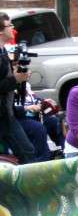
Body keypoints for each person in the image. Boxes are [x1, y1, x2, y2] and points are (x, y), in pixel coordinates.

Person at [0, 12, 36, 164]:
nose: (13, 28)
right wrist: (15, 79)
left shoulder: (3, 50)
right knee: (26, 151)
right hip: (3, 116)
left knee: (26, 150)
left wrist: (16, 76)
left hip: (6, 113)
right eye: (10, 25)